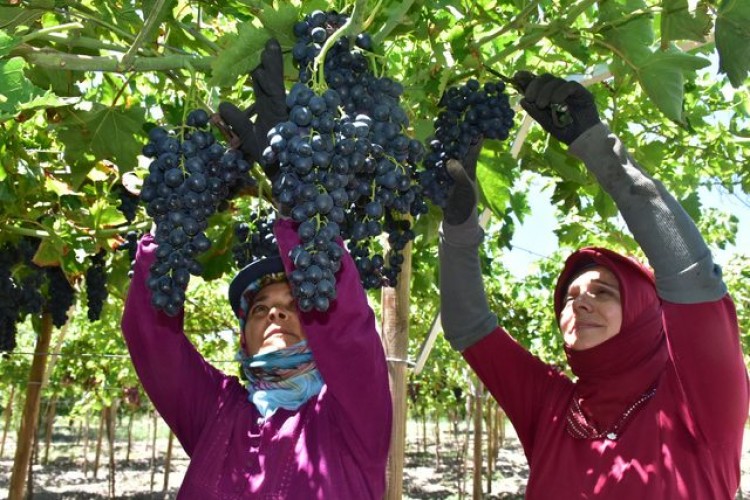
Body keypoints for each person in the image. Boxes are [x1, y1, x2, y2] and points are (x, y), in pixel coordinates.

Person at [438, 72, 749, 498]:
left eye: (603, 291)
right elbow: (469, 326)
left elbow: (692, 276)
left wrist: (596, 144)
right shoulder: (553, 408)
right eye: (569, 297)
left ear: (645, 307)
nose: (580, 303)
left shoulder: (699, 405)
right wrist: (458, 227)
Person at [121, 39, 392, 499]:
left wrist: (296, 201)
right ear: (242, 336)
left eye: (292, 305)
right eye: (260, 308)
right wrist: (176, 217)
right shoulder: (216, 409)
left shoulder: (353, 415)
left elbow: (349, 334)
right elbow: (152, 336)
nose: (274, 314)